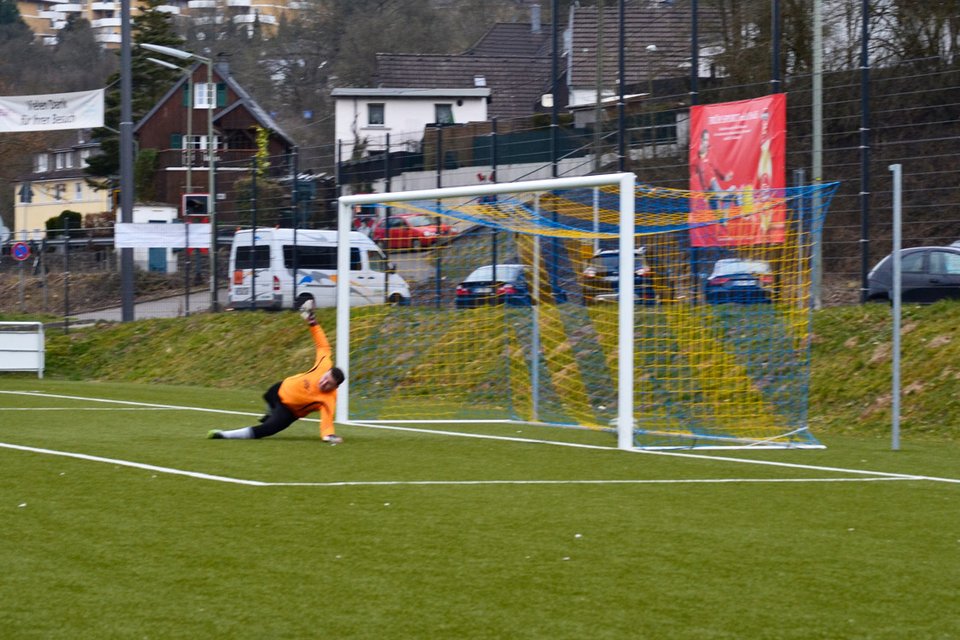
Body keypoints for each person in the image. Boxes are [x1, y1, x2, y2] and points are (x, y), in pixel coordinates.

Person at [207, 299, 345, 443]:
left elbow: (327, 422)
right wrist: (312, 322)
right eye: (325, 378)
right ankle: (270, 412)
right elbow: (323, 346)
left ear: (335, 387)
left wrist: (328, 435)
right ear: (327, 371)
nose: (323, 383)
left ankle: (222, 435)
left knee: (267, 429)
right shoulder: (324, 364)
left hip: (288, 411)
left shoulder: (328, 399)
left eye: (328, 384)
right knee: (267, 395)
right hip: (280, 388)